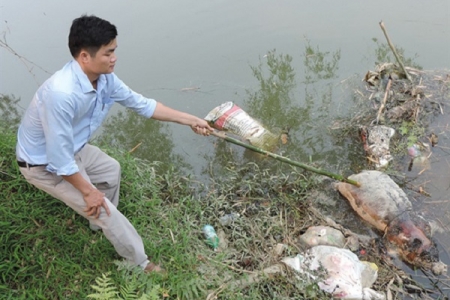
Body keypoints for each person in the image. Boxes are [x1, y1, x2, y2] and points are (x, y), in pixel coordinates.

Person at [15, 14, 213, 273]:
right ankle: (140, 263)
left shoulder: (105, 78)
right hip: (43, 164)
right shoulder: (61, 94)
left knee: (110, 171)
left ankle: (98, 224)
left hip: (72, 148)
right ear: (85, 56)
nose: (114, 58)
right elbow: (60, 161)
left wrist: (191, 120)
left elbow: (144, 105)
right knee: (106, 210)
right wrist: (89, 192)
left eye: (115, 50)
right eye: (108, 53)